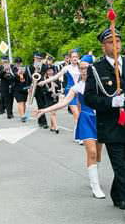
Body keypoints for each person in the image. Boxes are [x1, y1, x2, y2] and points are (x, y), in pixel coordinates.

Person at [83, 26, 125, 221]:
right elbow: (89, 98)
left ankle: (116, 193)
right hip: (110, 124)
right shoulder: (96, 69)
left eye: (118, 41)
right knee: (119, 165)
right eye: (111, 42)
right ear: (103, 46)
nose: (116, 45)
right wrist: (110, 102)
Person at [35, 54, 106, 198]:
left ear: (92, 68)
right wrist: (45, 110)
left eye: (86, 68)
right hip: (86, 120)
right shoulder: (77, 87)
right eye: (81, 68)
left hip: (100, 120)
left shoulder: (101, 85)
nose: (83, 71)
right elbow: (63, 102)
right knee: (91, 152)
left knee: (98, 154)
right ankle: (95, 186)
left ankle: (94, 176)